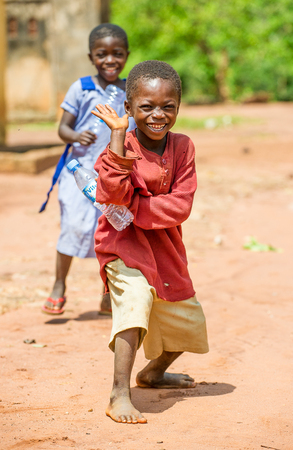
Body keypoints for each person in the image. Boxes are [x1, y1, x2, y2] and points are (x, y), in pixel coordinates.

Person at [92, 60, 209, 424]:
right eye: (147, 106)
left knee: (187, 319)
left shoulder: (183, 147)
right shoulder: (119, 147)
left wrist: (136, 206)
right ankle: (118, 394)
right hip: (121, 244)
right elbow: (111, 193)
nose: (158, 115)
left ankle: (153, 373)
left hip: (166, 248)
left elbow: (181, 205)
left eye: (168, 106)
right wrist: (116, 136)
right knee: (137, 302)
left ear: (178, 106)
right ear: (129, 108)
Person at [42, 23, 135, 315]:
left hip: (113, 175)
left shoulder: (128, 91)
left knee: (111, 234)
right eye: (102, 54)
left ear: (127, 55)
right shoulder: (81, 88)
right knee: (71, 226)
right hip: (78, 173)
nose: (110, 60)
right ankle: (59, 285)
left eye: (117, 54)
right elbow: (63, 128)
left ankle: (108, 295)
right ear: (91, 57)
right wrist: (75, 136)